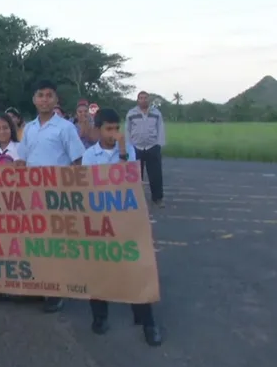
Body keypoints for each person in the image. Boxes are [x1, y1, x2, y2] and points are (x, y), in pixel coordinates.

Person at [81, 108, 162, 347]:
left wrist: (124, 151)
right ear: (97, 130)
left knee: (135, 268)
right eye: (108, 129)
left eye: (116, 129)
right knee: (99, 269)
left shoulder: (128, 151)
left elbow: (131, 178)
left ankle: (147, 321)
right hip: (100, 219)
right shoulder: (90, 156)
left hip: (126, 218)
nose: (113, 134)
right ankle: (99, 317)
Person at [18, 79, 86, 313]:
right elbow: (21, 160)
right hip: (32, 195)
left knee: (56, 244)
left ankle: (58, 290)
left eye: (49, 95)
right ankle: (39, 285)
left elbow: (78, 162)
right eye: (40, 95)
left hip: (58, 194)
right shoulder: (29, 128)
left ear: (56, 100)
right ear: (34, 99)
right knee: (36, 242)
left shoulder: (66, 128)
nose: (45, 99)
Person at [125, 91, 166, 208]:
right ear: (137, 100)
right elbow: (127, 130)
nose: (143, 100)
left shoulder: (156, 113)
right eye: (141, 98)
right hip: (136, 147)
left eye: (145, 98)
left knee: (156, 175)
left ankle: (157, 198)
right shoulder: (131, 113)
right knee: (135, 175)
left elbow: (160, 128)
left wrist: (159, 144)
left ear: (149, 100)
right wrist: (128, 146)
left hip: (152, 146)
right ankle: (135, 199)